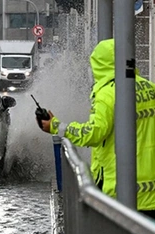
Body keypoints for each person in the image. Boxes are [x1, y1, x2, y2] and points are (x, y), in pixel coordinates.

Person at [38, 38, 155, 219]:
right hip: (151, 194)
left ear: (100, 65)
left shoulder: (107, 94)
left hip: (120, 191)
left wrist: (56, 126)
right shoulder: (150, 88)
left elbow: (93, 133)